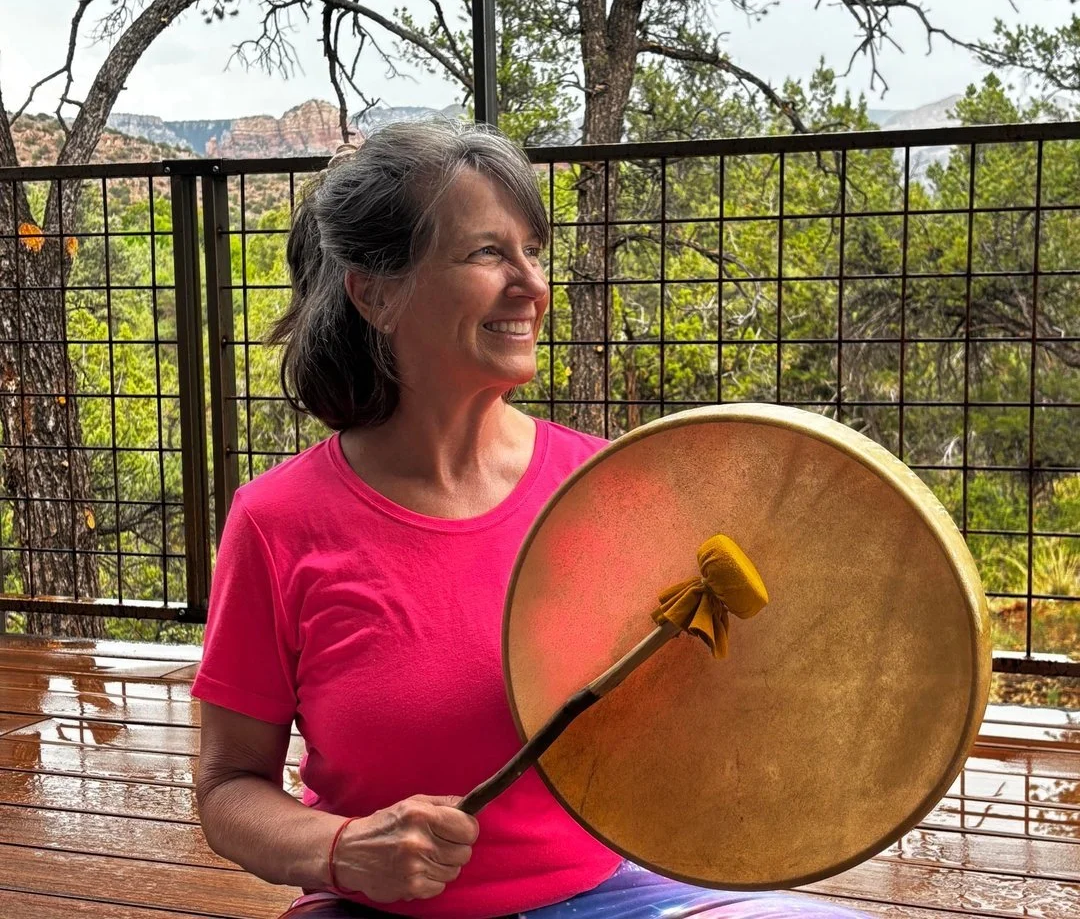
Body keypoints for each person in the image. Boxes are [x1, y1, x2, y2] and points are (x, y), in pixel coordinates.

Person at [193, 119, 871, 919]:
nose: (532, 285)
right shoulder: (277, 521)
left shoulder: (609, 487)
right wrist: (340, 851)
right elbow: (227, 786)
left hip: (617, 896)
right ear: (375, 293)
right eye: (487, 253)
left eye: (533, 251)